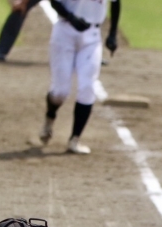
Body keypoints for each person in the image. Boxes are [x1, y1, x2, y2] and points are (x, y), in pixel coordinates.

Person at [39, 0, 121, 155]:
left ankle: (74, 139)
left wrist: (112, 34)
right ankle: (50, 118)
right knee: (60, 92)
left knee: (87, 87)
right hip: (65, 32)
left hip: (92, 36)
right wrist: (70, 17)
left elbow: (116, 2)